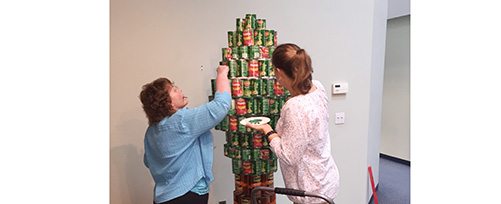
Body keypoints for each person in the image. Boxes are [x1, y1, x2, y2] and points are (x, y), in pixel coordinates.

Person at [246, 43, 340, 203]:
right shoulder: (318, 87)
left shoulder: (295, 107)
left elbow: (289, 156)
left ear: (279, 72)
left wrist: (268, 130)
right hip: (326, 178)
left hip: (311, 191)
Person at [139, 65, 231, 204]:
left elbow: (148, 161)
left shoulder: (151, 131)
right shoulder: (182, 121)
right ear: (166, 102)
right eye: (174, 90)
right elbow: (221, 106)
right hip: (187, 196)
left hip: (163, 198)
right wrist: (222, 74)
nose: (180, 90)